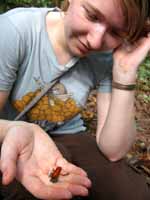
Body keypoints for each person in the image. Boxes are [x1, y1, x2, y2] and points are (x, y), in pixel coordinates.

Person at [0, 0, 150, 199]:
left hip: (66, 133)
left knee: (132, 191)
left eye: (115, 32)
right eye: (92, 16)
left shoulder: (107, 57)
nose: (95, 42)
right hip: (9, 134)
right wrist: (15, 129)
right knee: (26, 188)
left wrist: (125, 72)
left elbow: (114, 151)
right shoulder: (14, 30)